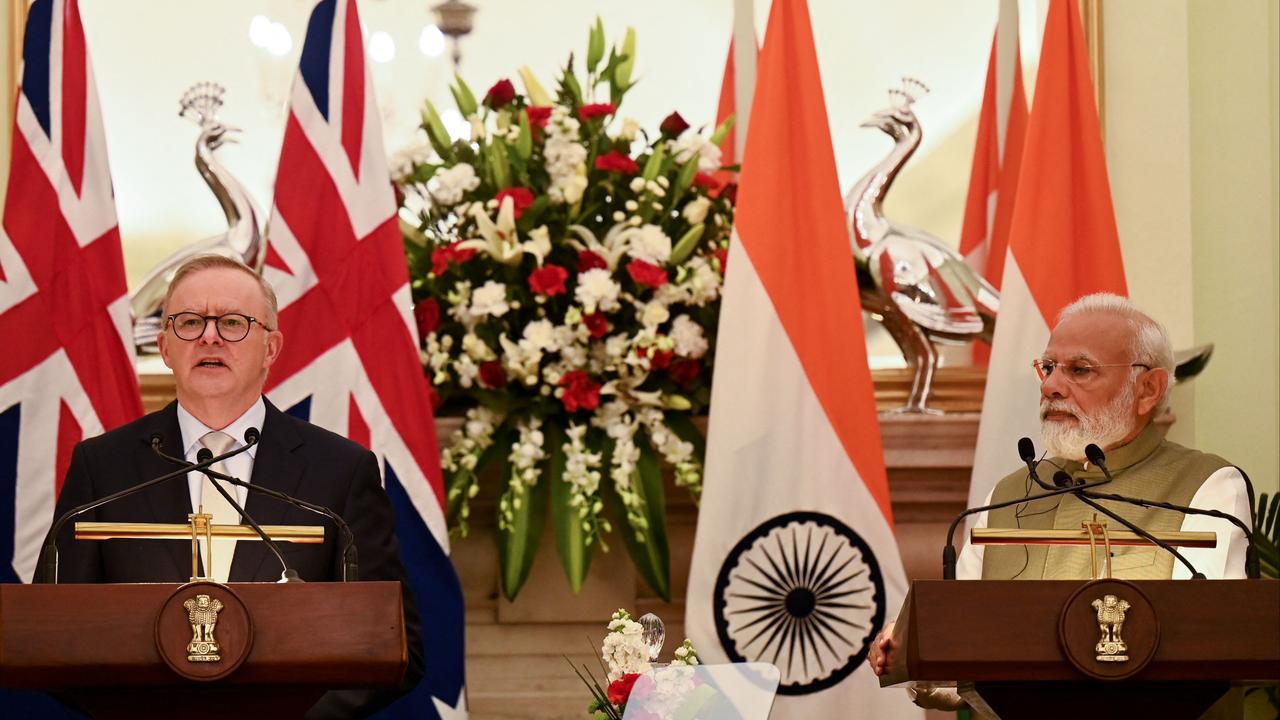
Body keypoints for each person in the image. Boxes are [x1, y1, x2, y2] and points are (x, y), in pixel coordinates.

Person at [44, 254, 424, 719]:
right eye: (189, 322)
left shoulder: (341, 471)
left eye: (232, 322)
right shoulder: (102, 467)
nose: (209, 336)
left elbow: (393, 641)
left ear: (270, 348)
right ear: (165, 348)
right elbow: (55, 635)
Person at [868, 293, 1252, 711]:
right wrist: (918, 650)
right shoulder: (1007, 496)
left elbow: (1206, 644)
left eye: (1080, 370)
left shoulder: (1207, 487)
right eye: (1048, 367)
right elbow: (960, 656)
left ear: (1147, 389)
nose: (1051, 386)